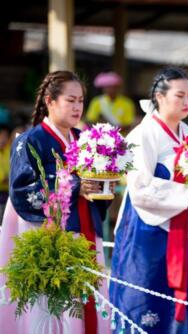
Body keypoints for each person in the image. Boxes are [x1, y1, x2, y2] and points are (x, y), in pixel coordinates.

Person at [0, 70, 111, 333]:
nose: (77, 107)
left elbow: (97, 186)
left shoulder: (87, 141)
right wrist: (74, 185)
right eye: (70, 100)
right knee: (49, 306)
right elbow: (23, 189)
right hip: (47, 235)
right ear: (50, 101)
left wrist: (103, 183)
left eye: (81, 100)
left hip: (83, 228)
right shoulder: (29, 141)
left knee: (83, 301)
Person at [109, 67, 188, 334]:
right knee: (148, 295)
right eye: (179, 95)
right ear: (159, 97)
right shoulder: (142, 135)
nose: (186, 102)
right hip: (149, 232)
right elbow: (140, 187)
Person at [0, 125, 11, 221]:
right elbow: (2, 179)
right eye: (2, 136)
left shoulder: (9, 150)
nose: (4, 139)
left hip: (9, 193)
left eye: (5, 136)